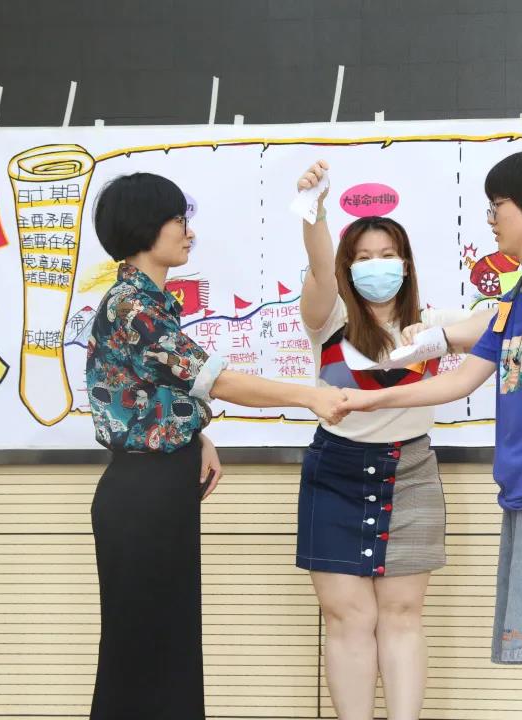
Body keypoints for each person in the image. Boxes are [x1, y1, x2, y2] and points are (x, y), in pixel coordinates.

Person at [338, 150, 522, 720]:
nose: (491, 219)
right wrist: (370, 398)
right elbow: (459, 380)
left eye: (498, 205)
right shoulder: (521, 293)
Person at [85, 172, 348, 720]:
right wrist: (310, 396)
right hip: (142, 493)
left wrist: (196, 435)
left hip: (159, 484)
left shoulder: (148, 302)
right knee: (142, 646)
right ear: (144, 226)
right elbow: (215, 379)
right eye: (178, 220)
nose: (189, 231)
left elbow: (149, 391)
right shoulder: (131, 306)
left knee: (168, 640)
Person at [294, 161, 493, 720]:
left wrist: (440, 337)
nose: (375, 266)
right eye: (362, 258)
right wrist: (315, 211)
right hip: (334, 470)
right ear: (348, 266)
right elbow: (318, 268)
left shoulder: (429, 320)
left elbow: (498, 320)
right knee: (347, 618)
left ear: (405, 264)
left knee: (403, 615)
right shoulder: (327, 317)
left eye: (386, 255)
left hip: (411, 470)